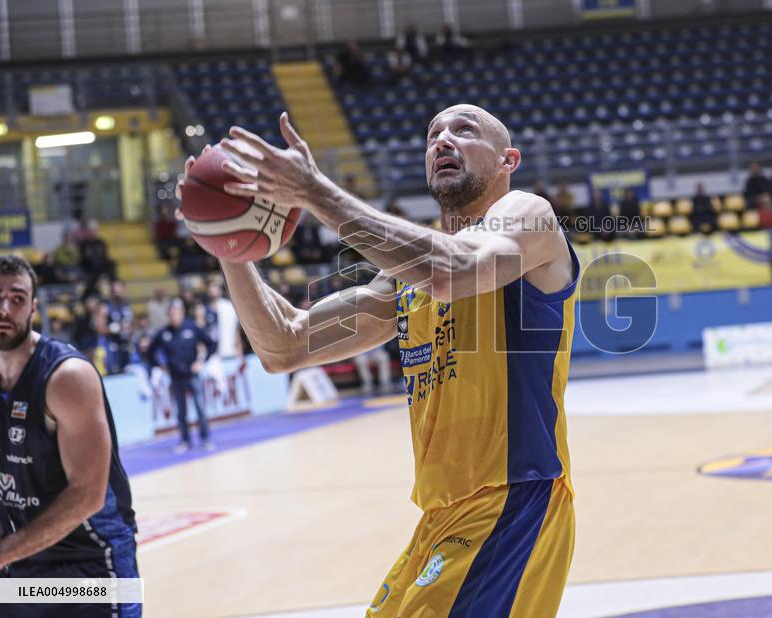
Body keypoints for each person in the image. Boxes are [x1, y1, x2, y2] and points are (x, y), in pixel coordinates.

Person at [179, 104, 578, 616]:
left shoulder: (529, 214)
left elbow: (452, 270)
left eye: (463, 130)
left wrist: (314, 192)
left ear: (508, 160)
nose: (443, 140)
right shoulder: (406, 280)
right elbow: (285, 344)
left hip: (513, 500)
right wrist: (229, 245)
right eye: (432, 133)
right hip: (441, 516)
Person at [0, 255, 139, 616]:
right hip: (21, 563)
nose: (4, 308)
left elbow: (89, 495)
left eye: (17, 298)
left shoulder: (66, 377)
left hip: (91, 566)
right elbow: (0, 477)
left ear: (34, 307)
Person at [147, 299, 217, 454]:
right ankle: (185, 440)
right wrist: (160, 366)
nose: (173, 315)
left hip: (193, 375)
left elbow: (212, 344)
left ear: (182, 313)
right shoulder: (164, 333)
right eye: (171, 313)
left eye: (176, 312)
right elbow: (150, 352)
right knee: (181, 412)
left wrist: (202, 361)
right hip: (176, 377)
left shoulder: (192, 328)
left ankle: (205, 438)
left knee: (200, 408)